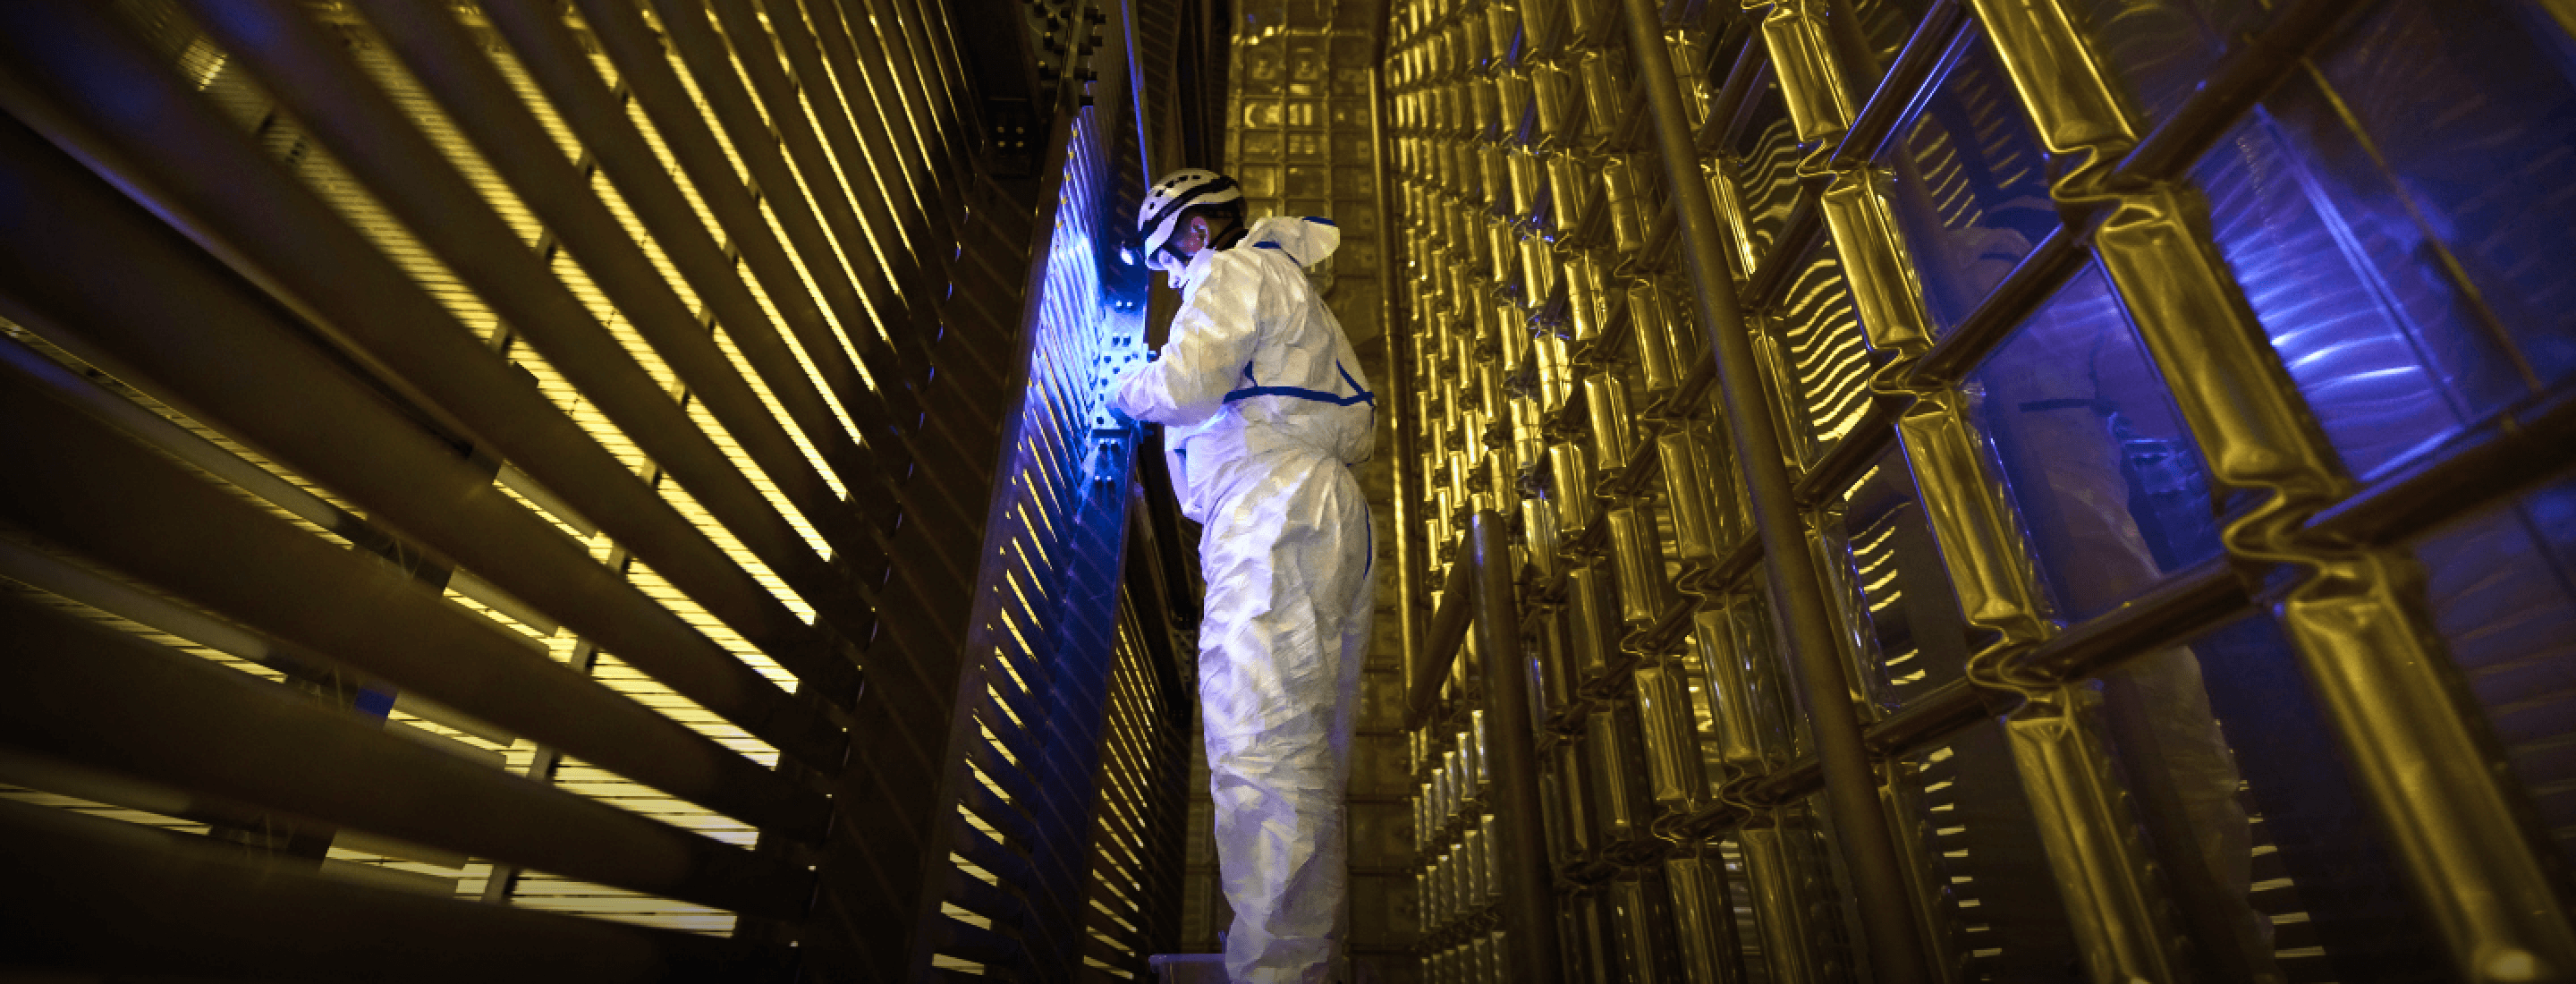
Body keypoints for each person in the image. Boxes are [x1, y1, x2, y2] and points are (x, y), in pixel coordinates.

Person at [1110, 169, 1377, 984]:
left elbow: (1186, 385)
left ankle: (1273, 976)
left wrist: (1122, 385)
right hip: (1318, 510)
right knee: (1301, 752)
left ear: (1192, 235)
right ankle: (1292, 966)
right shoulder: (1286, 285)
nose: (1173, 281)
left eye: (1167, 264)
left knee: (1258, 740)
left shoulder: (1231, 271)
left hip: (1271, 508)